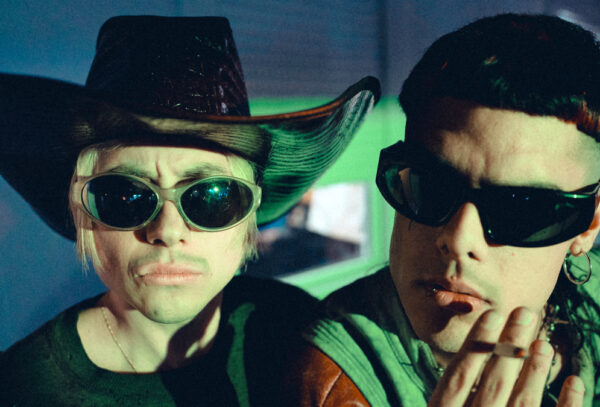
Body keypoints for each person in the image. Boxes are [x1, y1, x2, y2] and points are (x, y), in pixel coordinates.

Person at [0, 16, 379, 406]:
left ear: (249, 215)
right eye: (125, 195)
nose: (167, 230)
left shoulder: (299, 332)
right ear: (80, 208)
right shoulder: (21, 390)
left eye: (211, 197)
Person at [282, 13, 600, 407]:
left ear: (588, 224)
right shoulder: (328, 381)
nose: (458, 239)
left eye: (521, 209)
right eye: (428, 185)